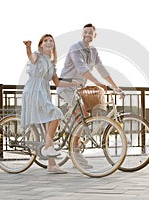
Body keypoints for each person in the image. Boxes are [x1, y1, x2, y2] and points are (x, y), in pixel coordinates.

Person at [57, 23, 123, 168]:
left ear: (95, 35)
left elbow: (102, 69)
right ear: (82, 34)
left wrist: (116, 87)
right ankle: (74, 151)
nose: (87, 35)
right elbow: (83, 70)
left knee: (82, 116)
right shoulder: (75, 48)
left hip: (77, 88)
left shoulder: (93, 51)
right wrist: (98, 84)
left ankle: (72, 139)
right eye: (85, 32)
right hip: (66, 86)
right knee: (81, 116)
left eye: (90, 33)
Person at [21, 34, 75, 174]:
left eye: (51, 41)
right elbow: (30, 57)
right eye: (45, 41)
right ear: (40, 45)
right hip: (34, 91)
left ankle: (51, 165)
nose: (48, 42)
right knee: (55, 114)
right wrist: (28, 47)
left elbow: (57, 83)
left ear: (53, 46)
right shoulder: (36, 56)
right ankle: (47, 148)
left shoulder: (51, 64)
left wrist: (73, 83)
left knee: (47, 129)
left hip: (44, 93)